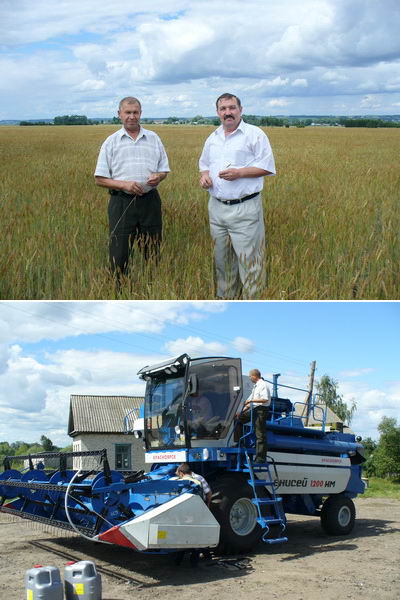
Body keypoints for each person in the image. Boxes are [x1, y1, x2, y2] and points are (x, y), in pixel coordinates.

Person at [199, 93, 276, 299]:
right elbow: (204, 166)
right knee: (222, 263)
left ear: (240, 110)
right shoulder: (212, 138)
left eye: (232, 108)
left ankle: (253, 304)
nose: (228, 113)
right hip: (216, 208)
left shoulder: (254, 134)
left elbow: (267, 167)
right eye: (223, 109)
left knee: (251, 264)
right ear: (217, 113)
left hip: (245, 209)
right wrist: (205, 177)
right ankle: (226, 299)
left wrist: (239, 173)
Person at [94, 96, 170, 281]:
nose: (132, 116)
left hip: (149, 202)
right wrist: (124, 184)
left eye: (135, 112)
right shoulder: (111, 142)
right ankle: (119, 289)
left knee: (152, 250)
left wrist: (158, 177)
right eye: (127, 112)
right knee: (119, 252)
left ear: (141, 114)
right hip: (121, 203)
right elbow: (100, 179)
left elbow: (164, 171)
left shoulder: (154, 138)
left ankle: (152, 285)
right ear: (119, 114)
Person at [175, 463, 213, 566]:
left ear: (182, 473)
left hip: (184, 513)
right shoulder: (197, 480)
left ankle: (178, 560)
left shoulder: (179, 482)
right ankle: (196, 560)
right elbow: (208, 493)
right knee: (199, 534)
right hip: (198, 511)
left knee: (183, 535)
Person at [235, 369, 271, 463]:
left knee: (260, 434)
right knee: (238, 420)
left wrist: (251, 401)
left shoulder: (263, 385)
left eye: (250, 376)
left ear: (254, 376)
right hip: (255, 409)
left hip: (261, 411)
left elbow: (265, 399)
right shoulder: (255, 387)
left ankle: (260, 458)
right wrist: (241, 413)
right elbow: (249, 403)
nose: (250, 378)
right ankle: (239, 444)